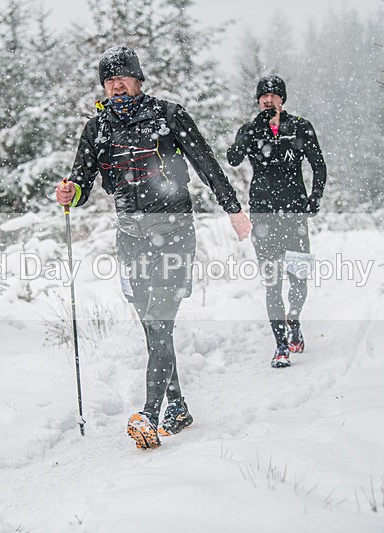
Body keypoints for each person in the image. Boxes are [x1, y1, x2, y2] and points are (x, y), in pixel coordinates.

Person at [55, 45, 252, 449]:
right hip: (130, 239)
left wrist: (233, 209)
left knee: (160, 323)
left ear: (138, 79)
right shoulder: (98, 128)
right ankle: (176, 407)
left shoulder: (168, 115)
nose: (116, 84)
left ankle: (148, 413)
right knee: (153, 328)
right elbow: (82, 183)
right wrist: (69, 192)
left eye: (122, 77)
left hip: (174, 232)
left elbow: (205, 162)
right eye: (109, 80)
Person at [227, 75, 327, 369]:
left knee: (298, 277)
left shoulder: (299, 127)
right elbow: (233, 159)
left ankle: (293, 319)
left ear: (283, 99)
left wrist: (315, 197)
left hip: (295, 212)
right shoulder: (250, 129)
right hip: (263, 214)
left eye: (273, 95)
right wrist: (246, 137)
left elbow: (318, 164)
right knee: (272, 282)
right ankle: (281, 345)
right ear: (258, 100)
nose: (268, 100)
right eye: (263, 96)